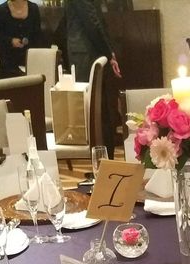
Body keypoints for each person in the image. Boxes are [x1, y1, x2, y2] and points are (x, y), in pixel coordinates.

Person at [66, 0, 122, 158]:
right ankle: (102, 159)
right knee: (96, 112)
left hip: (89, 52)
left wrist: (109, 52)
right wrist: (109, 53)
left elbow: (96, 21)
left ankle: (104, 159)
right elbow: (92, 22)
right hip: (87, 54)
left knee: (100, 111)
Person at [0, 0, 43, 79]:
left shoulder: (33, 8)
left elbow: (38, 36)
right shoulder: (1, 10)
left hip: (30, 59)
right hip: (7, 62)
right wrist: (10, 41)